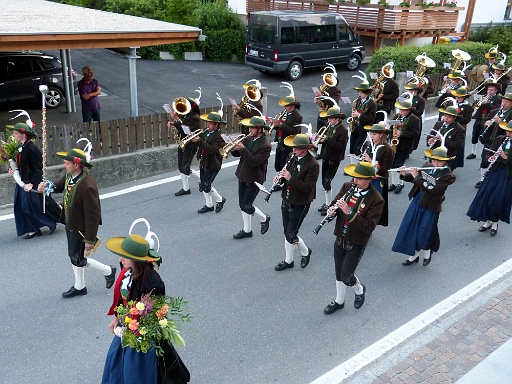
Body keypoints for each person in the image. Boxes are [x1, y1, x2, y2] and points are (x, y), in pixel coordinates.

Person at [102, 219, 190, 384]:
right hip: (127, 327)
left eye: (125, 257)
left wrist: (132, 326)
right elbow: (123, 297)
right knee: (115, 364)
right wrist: (116, 318)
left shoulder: (153, 283)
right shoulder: (127, 270)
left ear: (136, 260)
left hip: (141, 335)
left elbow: (153, 316)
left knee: (137, 373)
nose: (121, 260)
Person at [38, 142, 116, 298]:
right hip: (71, 223)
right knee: (74, 256)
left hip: (81, 229)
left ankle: (108, 270)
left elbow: (93, 215)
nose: (64, 165)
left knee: (78, 258)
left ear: (77, 165)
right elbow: (59, 186)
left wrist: (90, 239)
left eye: (67, 163)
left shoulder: (88, 186)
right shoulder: (70, 176)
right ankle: (80, 286)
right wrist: (46, 187)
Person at [323, 162, 384, 315]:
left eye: (359, 178)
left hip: (356, 242)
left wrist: (349, 213)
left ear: (369, 180)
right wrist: (331, 212)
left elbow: (369, 226)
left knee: (346, 275)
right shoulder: (346, 187)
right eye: (354, 177)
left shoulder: (376, 199)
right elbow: (334, 204)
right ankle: (339, 301)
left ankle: (359, 288)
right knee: (338, 273)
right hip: (340, 236)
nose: (355, 181)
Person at [392, 147, 456, 267]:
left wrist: (416, 176)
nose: (435, 163)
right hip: (418, 200)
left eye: (439, 161)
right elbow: (414, 180)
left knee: (424, 230)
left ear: (445, 161)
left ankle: (427, 251)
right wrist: (405, 174)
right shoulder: (427, 166)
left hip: (431, 205)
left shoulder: (448, 175)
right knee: (412, 227)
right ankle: (414, 255)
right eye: (434, 160)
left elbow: (433, 189)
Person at [274, 134, 319, 271]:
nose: (294, 150)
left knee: (291, 233)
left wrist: (290, 177)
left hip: (300, 203)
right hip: (286, 198)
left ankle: (305, 252)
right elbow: (286, 176)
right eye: (293, 147)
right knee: (287, 232)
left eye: (297, 148)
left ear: (306, 148)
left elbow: (307, 187)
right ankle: (289, 260)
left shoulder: (313, 165)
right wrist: (280, 179)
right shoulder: (291, 157)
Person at [8, 121, 57, 238]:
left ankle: (50, 223)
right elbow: (23, 165)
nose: (14, 135)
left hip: (30, 182)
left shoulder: (31, 148)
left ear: (23, 135)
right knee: (22, 206)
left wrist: (32, 183)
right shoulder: (21, 147)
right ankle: (34, 229)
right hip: (23, 181)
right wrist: (14, 171)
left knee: (29, 207)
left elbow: (38, 168)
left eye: (16, 133)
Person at [467, 120, 512, 237]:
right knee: (486, 195)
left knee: (497, 199)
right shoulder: (500, 139)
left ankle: (495, 223)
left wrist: (505, 157)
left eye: (511, 132)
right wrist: (490, 158)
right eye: (508, 131)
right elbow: (488, 151)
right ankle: (487, 221)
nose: (508, 134)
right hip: (494, 171)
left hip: (507, 174)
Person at [230, 116, 272, 239]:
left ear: (260, 129)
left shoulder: (266, 145)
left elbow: (254, 162)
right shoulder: (248, 138)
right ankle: (247, 230)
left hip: (254, 179)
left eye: (252, 128)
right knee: (242, 205)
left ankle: (264, 218)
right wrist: (233, 147)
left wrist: (243, 149)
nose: (249, 129)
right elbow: (238, 154)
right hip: (243, 175)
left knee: (246, 205)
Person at [474, 92, 512, 188]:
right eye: (503, 101)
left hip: (502, 140)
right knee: (485, 159)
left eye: (506, 102)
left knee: (499, 162)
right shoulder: (494, 111)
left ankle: (495, 181)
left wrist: (502, 122)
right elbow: (482, 122)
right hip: (490, 140)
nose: (503, 104)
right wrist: (486, 123)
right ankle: (482, 180)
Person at [191, 110, 226, 213]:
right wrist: (193, 138)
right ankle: (209, 204)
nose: (208, 124)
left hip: (213, 164)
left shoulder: (220, 138)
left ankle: (220, 199)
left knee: (207, 185)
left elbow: (212, 150)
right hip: (204, 161)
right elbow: (201, 143)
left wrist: (199, 141)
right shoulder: (206, 132)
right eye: (207, 122)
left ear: (216, 124)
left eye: (210, 123)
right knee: (203, 184)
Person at [316, 105, 348, 216]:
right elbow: (323, 139)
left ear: (337, 118)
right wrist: (318, 139)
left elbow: (340, 147)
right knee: (323, 181)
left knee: (327, 181)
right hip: (326, 156)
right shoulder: (327, 126)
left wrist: (327, 140)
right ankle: (327, 203)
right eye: (328, 118)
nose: (328, 121)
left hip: (334, 158)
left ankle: (330, 204)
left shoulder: (343, 130)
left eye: (330, 118)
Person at [361, 121, 394, 226]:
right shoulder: (369, 145)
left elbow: (386, 167)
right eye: (371, 134)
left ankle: (370, 224)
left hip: (378, 179)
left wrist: (371, 161)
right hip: (365, 176)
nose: (371, 136)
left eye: (374, 134)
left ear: (381, 134)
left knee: (373, 203)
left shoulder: (388, 149)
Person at [168, 95, 201, 196]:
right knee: (181, 167)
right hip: (182, 142)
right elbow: (180, 125)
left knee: (185, 167)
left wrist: (176, 119)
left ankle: (201, 180)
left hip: (191, 144)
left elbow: (185, 129)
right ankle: (186, 188)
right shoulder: (185, 115)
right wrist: (173, 123)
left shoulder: (195, 118)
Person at [388, 98, 420, 194]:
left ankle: (400, 183)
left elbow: (415, 134)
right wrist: (391, 139)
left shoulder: (415, 120)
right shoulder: (397, 117)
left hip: (405, 145)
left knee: (399, 165)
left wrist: (401, 133)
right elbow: (391, 128)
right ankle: (394, 183)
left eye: (403, 110)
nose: (400, 112)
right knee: (392, 165)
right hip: (395, 144)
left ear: (408, 110)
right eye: (400, 110)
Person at [272, 83, 302, 179]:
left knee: (284, 166)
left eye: (287, 106)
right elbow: (280, 126)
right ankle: (281, 179)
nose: (285, 108)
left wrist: (281, 125)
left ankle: (282, 181)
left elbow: (294, 131)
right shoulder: (284, 113)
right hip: (280, 142)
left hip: (288, 144)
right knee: (277, 165)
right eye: (285, 106)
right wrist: (274, 124)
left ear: (293, 105)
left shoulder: (297, 116)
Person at [466, 82, 501, 160]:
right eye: (488, 90)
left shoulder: (498, 99)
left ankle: (486, 152)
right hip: (479, 118)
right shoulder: (484, 96)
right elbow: (475, 106)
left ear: (496, 91)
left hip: (488, 120)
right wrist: (478, 102)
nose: (489, 92)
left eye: (491, 90)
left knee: (484, 137)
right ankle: (473, 152)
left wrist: (487, 104)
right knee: (474, 135)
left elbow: (497, 109)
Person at [426, 105, 465, 171]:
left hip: (448, 155)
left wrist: (443, 140)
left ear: (454, 118)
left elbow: (458, 145)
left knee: (444, 176)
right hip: (435, 153)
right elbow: (431, 134)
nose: (446, 119)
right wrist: (430, 140)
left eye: (449, 117)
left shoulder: (460, 129)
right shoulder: (439, 124)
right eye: (445, 116)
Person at [350, 75, 377, 157]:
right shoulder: (357, 101)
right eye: (359, 92)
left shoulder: (372, 104)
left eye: (361, 92)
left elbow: (371, 119)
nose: (359, 94)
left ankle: (362, 157)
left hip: (363, 128)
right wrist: (353, 115)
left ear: (366, 93)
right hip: (355, 127)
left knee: (356, 149)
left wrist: (359, 115)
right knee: (351, 150)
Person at [450, 86, 474, 169]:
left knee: (457, 146)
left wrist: (457, 116)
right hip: (450, 125)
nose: (457, 98)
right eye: (456, 96)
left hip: (460, 128)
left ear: (464, 97)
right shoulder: (452, 103)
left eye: (459, 96)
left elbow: (467, 119)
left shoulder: (468, 106)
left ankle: (454, 164)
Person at [313, 64, 341, 133]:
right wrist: (318, 99)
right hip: (322, 113)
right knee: (318, 133)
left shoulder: (337, 90)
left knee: (326, 134)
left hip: (329, 115)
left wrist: (321, 97)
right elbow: (323, 99)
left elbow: (332, 102)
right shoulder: (325, 87)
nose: (327, 82)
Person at [405, 80, 426, 151]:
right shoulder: (406, 97)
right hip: (406, 118)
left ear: (416, 91)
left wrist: (410, 110)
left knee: (413, 135)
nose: (410, 91)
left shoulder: (421, 99)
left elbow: (420, 112)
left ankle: (410, 149)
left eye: (412, 90)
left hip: (416, 119)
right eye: (410, 90)